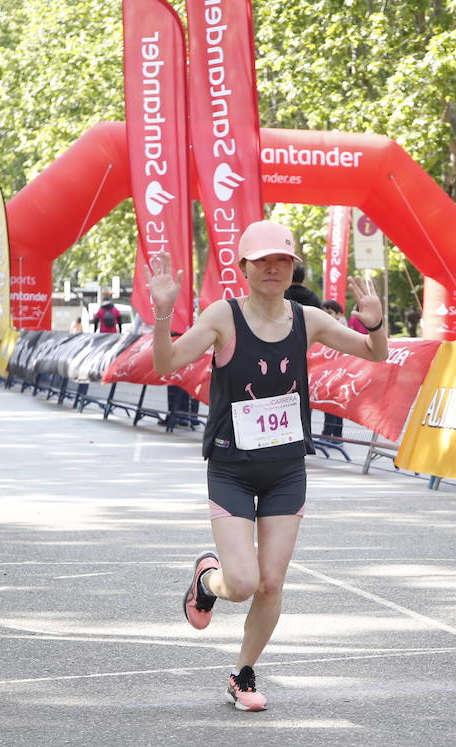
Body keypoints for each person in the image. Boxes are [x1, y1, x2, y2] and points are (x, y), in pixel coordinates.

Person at [147, 220, 387, 711]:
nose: (273, 269)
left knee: (272, 582)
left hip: (285, 468)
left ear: (292, 267)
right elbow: (167, 363)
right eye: (263, 262)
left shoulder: (309, 319)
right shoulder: (223, 316)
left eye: (282, 261)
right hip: (232, 467)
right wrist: (163, 311)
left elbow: (373, 354)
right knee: (241, 584)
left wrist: (376, 322)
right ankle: (206, 581)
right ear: (245, 269)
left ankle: (243, 674)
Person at [317, 300, 347, 440]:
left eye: (329, 313)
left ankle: (330, 435)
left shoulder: (342, 331)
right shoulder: (322, 331)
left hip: (338, 375)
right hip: (327, 375)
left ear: (338, 315)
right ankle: (334, 436)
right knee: (330, 407)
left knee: (333, 407)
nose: (325, 315)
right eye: (323, 312)